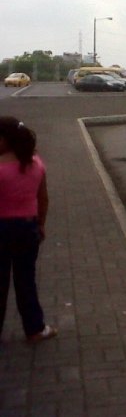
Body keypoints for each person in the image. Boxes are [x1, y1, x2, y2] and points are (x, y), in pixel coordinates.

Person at [0, 116, 56, 343]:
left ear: (6, 140)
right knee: (26, 281)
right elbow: (43, 199)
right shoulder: (36, 163)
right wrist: (40, 224)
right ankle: (35, 329)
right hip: (28, 228)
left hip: (1, 229)